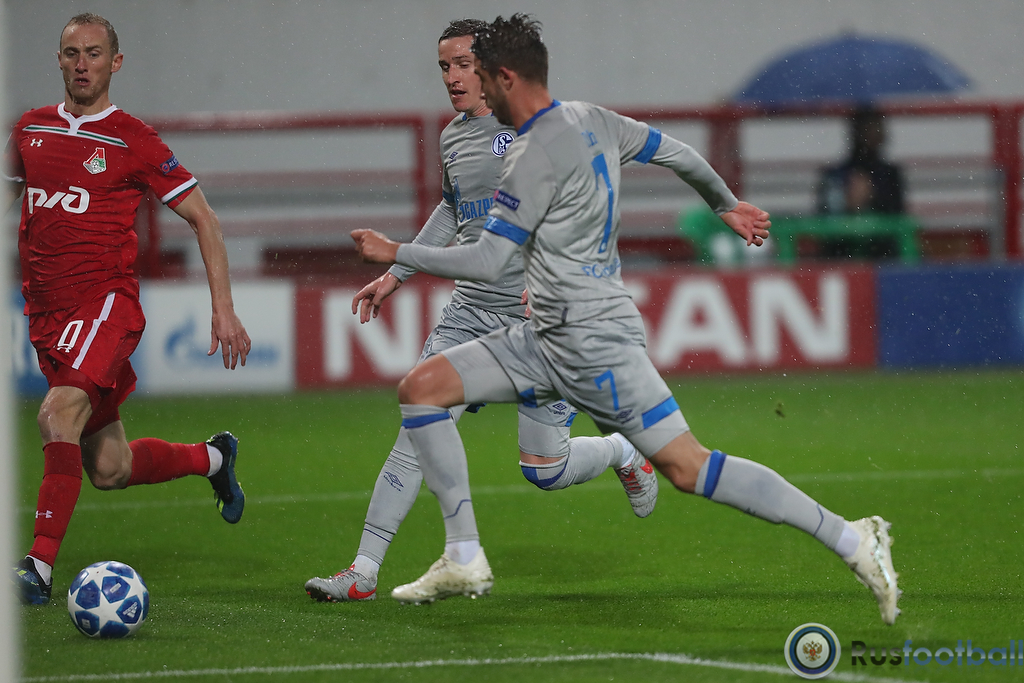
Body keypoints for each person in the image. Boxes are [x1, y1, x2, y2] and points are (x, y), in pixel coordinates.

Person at [350, 14, 900, 624]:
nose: (466, 86)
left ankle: (851, 537)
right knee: (422, 389)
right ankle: (462, 555)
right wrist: (726, 205)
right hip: (541, 333)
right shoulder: (595, 119)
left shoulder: (532, 155)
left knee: (689, 467)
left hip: (593, 342)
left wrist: (394, 251)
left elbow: (488, 259)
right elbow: (681, 154)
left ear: (504, 78)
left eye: (476, 73)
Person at [304, 19, 658, 604]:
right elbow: (453, 209)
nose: (452, 77)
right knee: (416, 428)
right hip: (470, 314)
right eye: (444, 67)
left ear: (494, 68)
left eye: (463, 64)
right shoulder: (453, 137)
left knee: (544, 469)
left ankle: (622, 450)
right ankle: (362, 572)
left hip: (543, 323)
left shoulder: (538, 124)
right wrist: (395, 275)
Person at [4, 13, 251, 606]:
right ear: (58, 59)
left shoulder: (132, 139)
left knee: (56, 416)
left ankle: (37, 568)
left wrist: (223, 308)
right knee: (109, 468)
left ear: (115, 63)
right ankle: (213, 458)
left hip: (105, 306)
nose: (81, 64)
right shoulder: (29, 130)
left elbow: (204, 217)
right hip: (47, 316)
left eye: (93, 53)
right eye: (71, 53)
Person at [816, 107, 905, 257]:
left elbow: (899, 216)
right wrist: (846, 204)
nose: (872, 136)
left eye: (876, 130)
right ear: (855, 134)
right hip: (841, 253)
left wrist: (873, 197)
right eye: (867, 130)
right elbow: (823, 220)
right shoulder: (835, 175)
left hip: (882, 253)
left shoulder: (890, 175)